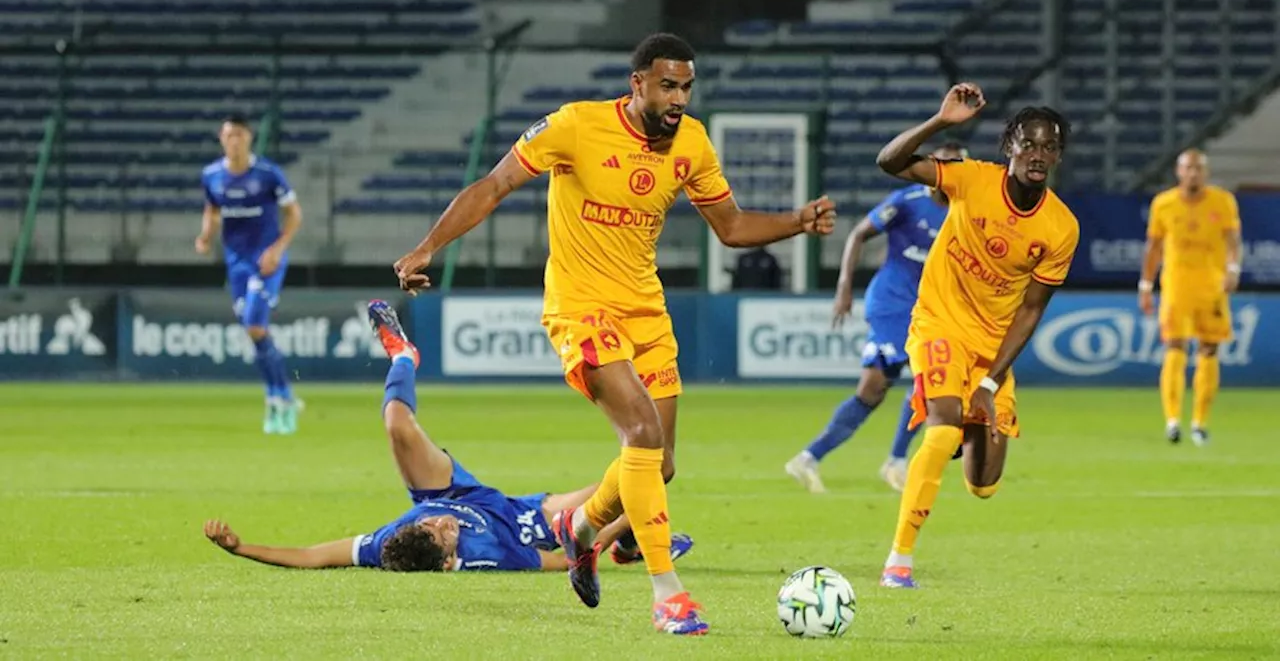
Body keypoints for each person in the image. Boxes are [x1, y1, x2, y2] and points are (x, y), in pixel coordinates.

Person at [391, 33, 836, 634]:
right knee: (642, 433)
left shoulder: (693, 144)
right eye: (668, 85)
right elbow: (494, 186)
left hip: (646, 312)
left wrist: (796, 222)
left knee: (661, 464)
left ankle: (578, 528)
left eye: (687, 87)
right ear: (639, 84)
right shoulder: (575, 126)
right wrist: (426, 248)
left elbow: (730, 227)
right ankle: (668, 596)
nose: (679, 98)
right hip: (581, 307)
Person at [203, 301, 695, 572]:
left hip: (456, 491)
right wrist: (604, 540)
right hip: (530, 521)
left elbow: (313, 555)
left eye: (428, 525)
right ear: (447, 562)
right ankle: (633, 541)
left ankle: (402, 357)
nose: (439, 524)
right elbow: (568, 560)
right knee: (645, 466)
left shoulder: (390, 542)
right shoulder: (492, 556)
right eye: (442, 534)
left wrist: (244, 548)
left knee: (397, 424)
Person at [872, 85, 1080, 589]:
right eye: (1028, 144)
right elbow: (889, 162)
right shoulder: (970, 180)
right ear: (1009, 145)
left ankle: (969, 417)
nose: (1038, 155)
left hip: (992, 348)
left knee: (983, 486)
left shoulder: (1060, 227)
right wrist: (940, 122)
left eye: (1048, 147)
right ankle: (899, 559)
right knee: (941, 429)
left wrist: (990, 382)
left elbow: (1031, 309)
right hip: (940, 323)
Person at [785, 143, 963, 495]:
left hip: (927, 309)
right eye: (942, 165)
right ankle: (895, 462)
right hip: (892, 304)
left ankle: (809, 458)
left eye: (956, 166)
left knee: (873, 390)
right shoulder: (907, 202)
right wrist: (844, 286)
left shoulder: (965, 211)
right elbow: (858, 234)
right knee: (928, 381)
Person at [195, 114, 303, 435]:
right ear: (221, 138)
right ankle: (280, 395)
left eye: (240, 135)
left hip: (267, 261)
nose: (235, 141)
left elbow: (294, 214)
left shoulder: (268, 174)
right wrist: (205, 236)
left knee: (255, 324)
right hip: (237, 265)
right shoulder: (212, 175)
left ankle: (279, 398)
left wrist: (278, 249)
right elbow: (212, 210)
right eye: (229, 135)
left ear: (249, 138)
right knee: (255, 331)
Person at [1139, 149, 1242, 446]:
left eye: (1198, 168)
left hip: (1212, 287)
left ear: (1205, 172)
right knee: (1175, 346)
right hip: (1176, 287)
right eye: (1188, 168)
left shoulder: (1222, 201)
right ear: (1178, 172)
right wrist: (1146, 286)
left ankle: (1199, 422)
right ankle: (1172, 421)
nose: (1193, 173)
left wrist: (1233, 269)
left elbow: (1233, 239)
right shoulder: (1164, 203)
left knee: (1209, 350)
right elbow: (1154, 247)